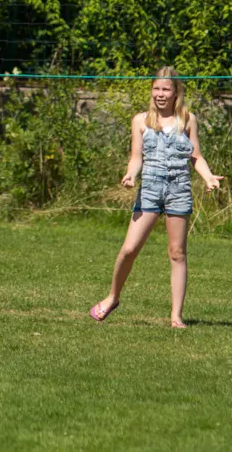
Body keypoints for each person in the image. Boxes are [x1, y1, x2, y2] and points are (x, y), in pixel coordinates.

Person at [89, 67, 222, 329]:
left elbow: (196, 156)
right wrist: (131, 174)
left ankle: (176, 316)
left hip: (178, 190)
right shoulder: (141, 121)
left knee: (177, 253)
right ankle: (113, 297)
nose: (160, 94)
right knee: (129, 249)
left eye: (166, 89)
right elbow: (136, 157)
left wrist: (208, 177)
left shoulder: (188, 120)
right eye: (156, 89)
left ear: (176, 92)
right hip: (149, 189)